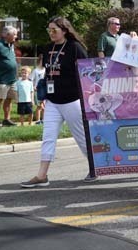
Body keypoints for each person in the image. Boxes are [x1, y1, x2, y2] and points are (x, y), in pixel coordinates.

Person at [20, 16, 93, 188]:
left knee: (81, 137)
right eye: (49, 30)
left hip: (72, 99)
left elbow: (87, 72)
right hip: (53, 101)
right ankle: (42, 175)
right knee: (48, 137)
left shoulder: (76, 48)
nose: (51, 33)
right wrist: (44, 96)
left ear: (65, 30)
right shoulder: (48, 48)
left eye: (55, 29)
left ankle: (94, 167)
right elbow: (48, 72)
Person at [0, 26, 18, 128]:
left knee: (9, 99)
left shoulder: (11, 45)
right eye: (14, 34)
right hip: (1, 78)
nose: (16, 36)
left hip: (12, 78)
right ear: (7, 35)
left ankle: (6, 119)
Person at [30, 54, 46, 124]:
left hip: (45, 91)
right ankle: (38, 120)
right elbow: (30, 80)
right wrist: (33, 86)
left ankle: (43, 120)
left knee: (45, 107)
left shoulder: (46, 70)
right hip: (38, 91)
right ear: (40, 60)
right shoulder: (35, 70)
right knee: (39, 106)